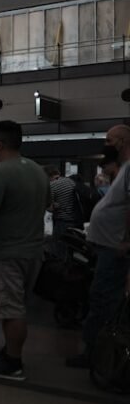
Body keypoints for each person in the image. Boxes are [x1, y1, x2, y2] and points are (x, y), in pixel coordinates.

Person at [0, 120, 50, 382]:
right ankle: (9, 350)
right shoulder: (38, 171)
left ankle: (13, 362)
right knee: (18, 306)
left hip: (6, 252)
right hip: (33, 250)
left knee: (11, 310)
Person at [67, 126, 130, 369]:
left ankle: (98, 353)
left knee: (104, 298)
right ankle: (97, 350)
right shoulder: (123, 169)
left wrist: (126, 240)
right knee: (100, 295)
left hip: (115, 247)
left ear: (122, 141)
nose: (106, 144)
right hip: (108, 245)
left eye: (109, 140)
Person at [44, 165, 78, 259]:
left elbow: (49, 208)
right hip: (75, 221)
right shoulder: (71, 181)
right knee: (69, 249)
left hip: (62, 221)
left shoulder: (52, 185)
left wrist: (52, 205)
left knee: (58, 250)